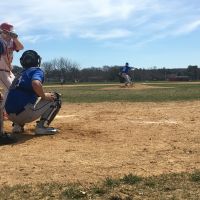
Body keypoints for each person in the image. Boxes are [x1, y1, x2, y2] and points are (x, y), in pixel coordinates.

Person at [5, 50, 62, 135]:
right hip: (23, 114)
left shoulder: (20, 74)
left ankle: (17, 126)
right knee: (55, 98)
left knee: (25, 97)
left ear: (22, 61)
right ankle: (41, 127)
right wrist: (44, 96)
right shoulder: (37, 70)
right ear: (37, 60)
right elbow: (36, 83)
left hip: (9, 115)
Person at [0, 22, 24, 115]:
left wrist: (15, 38)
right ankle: (3, 111)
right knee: (11, 90)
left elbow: (21, 47)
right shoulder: (0, 41)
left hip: (8, 71)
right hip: (0, 70)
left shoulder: (11, 41)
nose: (11, 34)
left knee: (17, 88)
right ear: (3, 32)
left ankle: (4, 110)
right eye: (9, 32)